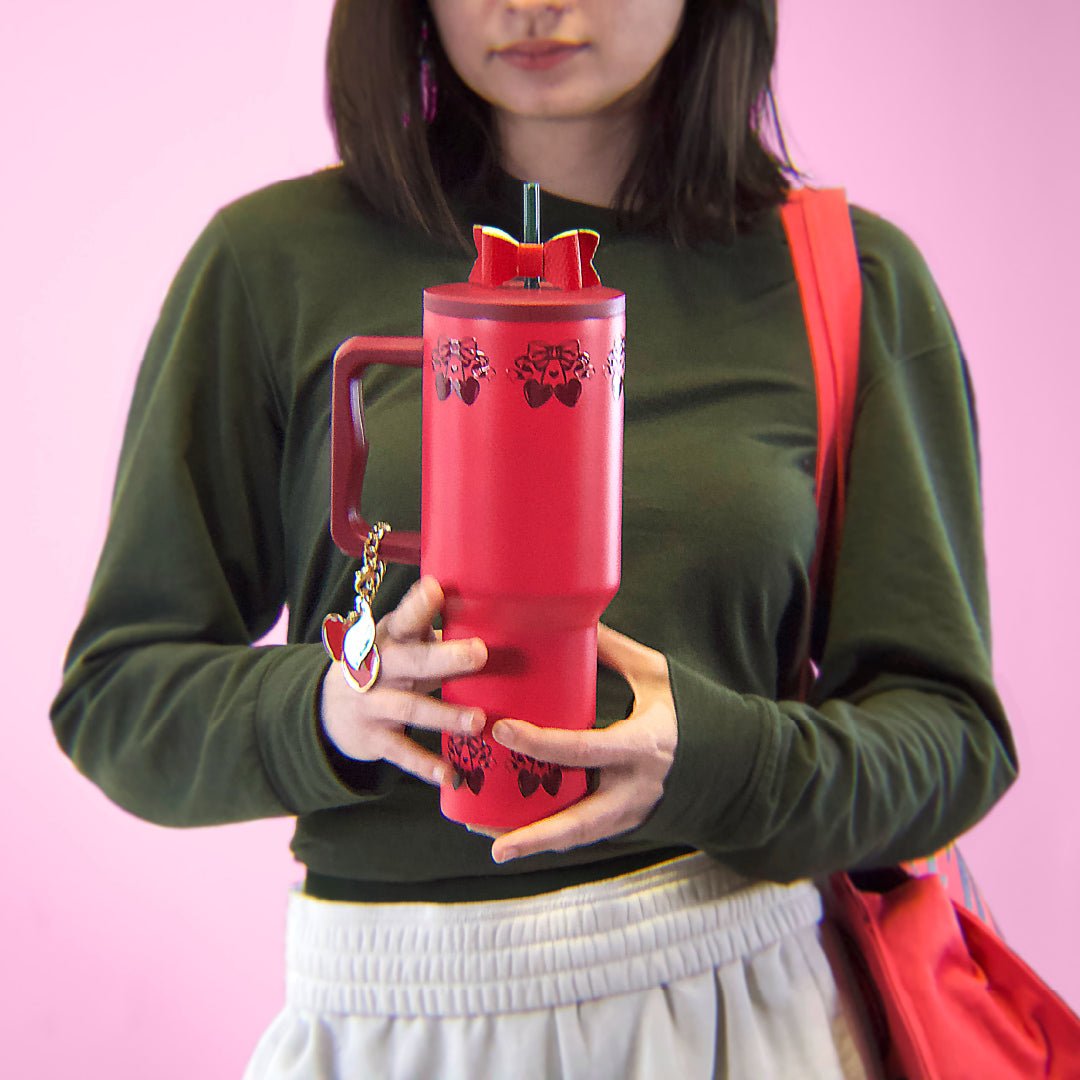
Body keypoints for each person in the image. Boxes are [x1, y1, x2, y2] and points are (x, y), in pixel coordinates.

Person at [51, 1, 1018, 1076]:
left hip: (743, 1015)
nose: (529, 2)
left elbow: (951, 738)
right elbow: (117, 699)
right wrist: (325, 709)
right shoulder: (270, 262)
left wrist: (719, 761)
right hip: (383, 1022)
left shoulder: (848, 278)